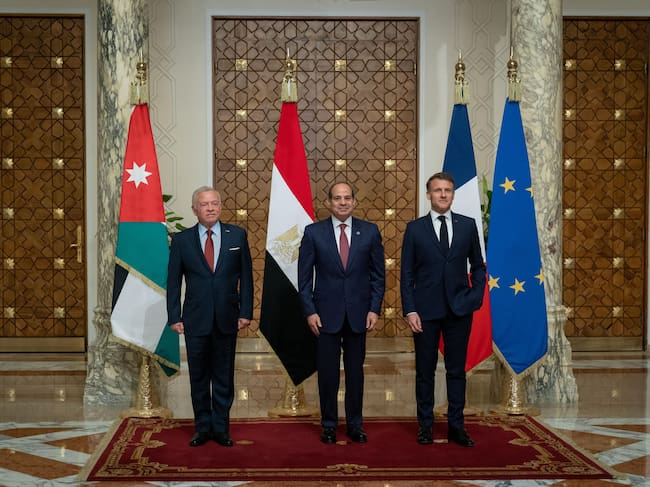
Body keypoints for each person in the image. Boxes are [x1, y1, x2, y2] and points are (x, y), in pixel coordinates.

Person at [400, 172, 486, 447]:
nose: (443, 194)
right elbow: (406, 274)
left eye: (447, 190)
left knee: (456, 371)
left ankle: (456, 427)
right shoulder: (415, 229)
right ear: (429, 195)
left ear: (453, 194)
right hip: (424, 312)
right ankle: (425, 426)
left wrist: (475, 297)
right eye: (438, 190)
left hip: (459, 310)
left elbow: (479, 266)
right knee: (425, 372)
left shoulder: (467, 226)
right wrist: (410, 310)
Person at [298, 182, 385, 444]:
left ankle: (355, 424)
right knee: (328, 374)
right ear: (328, 202)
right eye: (337, 198)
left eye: (347, 198)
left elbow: (378, 276)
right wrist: (310, 311)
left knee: (355, 373)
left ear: (354, 201)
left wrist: (374, 308)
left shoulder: (370, 231)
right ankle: (328, 425)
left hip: (359, 315)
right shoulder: (313, 232)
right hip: (324, 316)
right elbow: (304, 279)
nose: (343, 202)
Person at [167, 186, 253, 447]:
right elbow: (173, 282)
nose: (211, 208)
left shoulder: (237, 235)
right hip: (195, 319)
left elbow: (246, 277)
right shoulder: (182, 240)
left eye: (215, 203)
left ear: (221, 207)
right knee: (199, 377)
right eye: (205, 204)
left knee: (224, 376)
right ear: (195, 209)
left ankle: (221, 428)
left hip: (228, 317)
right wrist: (174, 316)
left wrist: (246, 312)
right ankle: (202, 428)